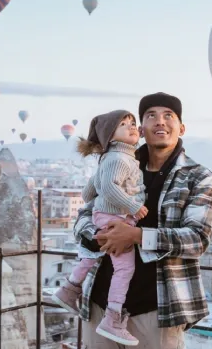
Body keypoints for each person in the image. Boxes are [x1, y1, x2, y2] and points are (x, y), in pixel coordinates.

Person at [71, 92, 212, 349]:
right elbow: (84, 215)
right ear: (141, 129)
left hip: (157, 310)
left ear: (181, 127)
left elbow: (198, 239)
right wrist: (98, 237)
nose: (160, 121)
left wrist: (136, 236)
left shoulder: (198, 177)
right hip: (100, 303)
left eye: (168, 116)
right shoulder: (117, 162)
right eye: (151, 116)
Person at [52, 110, 147, 346]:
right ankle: (113, 317)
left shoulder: (108, 158)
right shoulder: (120, 159)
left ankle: (69, 289)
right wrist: (133, 206)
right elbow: (109, 188)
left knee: (93, 254)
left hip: (103, 215)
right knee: (124, 269)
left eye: (133, 123)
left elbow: (88, 193)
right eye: (124, 124)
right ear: (110, 135)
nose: (132, 126)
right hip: (117, 217)